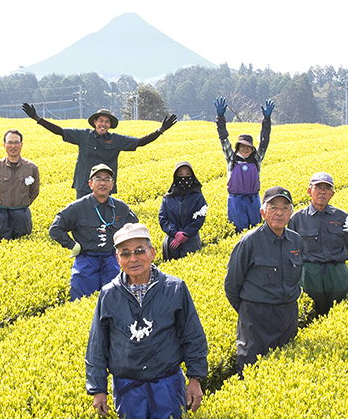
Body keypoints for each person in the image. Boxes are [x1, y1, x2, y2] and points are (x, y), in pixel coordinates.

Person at [86, 222, 208, 419]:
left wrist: (195, 378)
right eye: (126, 253)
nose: (133, 258)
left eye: (139, 251)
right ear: (118, 258)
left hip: (168, 384)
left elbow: (193, 336)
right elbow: (97, 345)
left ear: (152, 253)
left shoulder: (175, 288)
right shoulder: (109, 295)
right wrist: (98, 389)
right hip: (128, 390)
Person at [224, 186, 303, 375]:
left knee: (285, 370)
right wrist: (247, 312)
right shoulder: (249, 242)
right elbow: (232, 285)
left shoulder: (296, 241)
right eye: (273, 207)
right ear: (263, 212)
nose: (279, 213)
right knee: (251, 369)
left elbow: (298, 279)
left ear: (291, 213)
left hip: (288, 315)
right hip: (256, 318)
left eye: (285, 208)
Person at [22, 103, 177, 198]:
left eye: (106, 121)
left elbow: (141, 142)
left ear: (110, 124)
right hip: (84, 186)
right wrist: (37, 118)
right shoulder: (83, 135)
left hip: (104, 186)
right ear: (95, 122)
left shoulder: (116, 140)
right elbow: (60, 131)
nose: (103, 124)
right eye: (101, 121)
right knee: (81, 219)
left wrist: (161, 130)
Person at [49, 164, 138, 300]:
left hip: (111, 261)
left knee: (114, 301)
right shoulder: (77, 207)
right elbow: (55, 229)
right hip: (86, 262)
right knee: (82, 302)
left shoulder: (120, 207)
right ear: (90, 184)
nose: (102, 183)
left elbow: (134, 228)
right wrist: (72, 245)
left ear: (112, 184)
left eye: (107, 179)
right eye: (98, 179)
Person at [289, 172, 348, 315]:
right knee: (312, 313)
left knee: (342, 312)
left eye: (327, 188)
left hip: (337, 272)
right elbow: (291, 248)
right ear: (309, 191)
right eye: (318, 187)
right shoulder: (297, 219)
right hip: (310, 274)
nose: (322, 192)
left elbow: (347, 242)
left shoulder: (342, 217)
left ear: (332, 194)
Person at [214, 96, 275, 233]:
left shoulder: (256, 159)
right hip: (236, 200)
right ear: (238, 147)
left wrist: (266, 120)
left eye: (248, 147)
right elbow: (223, 139)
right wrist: (220, 117)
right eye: (242, 146)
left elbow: (264, 142)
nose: (245, 149)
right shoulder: (232, 158)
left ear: (252, 148)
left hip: (253, 199)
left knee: (255, 230)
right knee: (239, 231)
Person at [0, 129, 40, 243]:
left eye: (16, 142)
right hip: (1, 214)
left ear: (21, 145)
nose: (13, 146)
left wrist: (25, 202)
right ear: (4, 145)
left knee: (23, 245)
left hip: (22, 214)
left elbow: (35, 191)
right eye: (10, 142)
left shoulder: (31, 168)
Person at [159, 161, 208, 261]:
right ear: (175, 177)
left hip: (191, 241)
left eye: (187, 174)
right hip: (172, 241)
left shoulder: (198, 197)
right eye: (180, 174)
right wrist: (175, 233)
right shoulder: (168, 197)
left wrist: (185, 233)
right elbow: (163, 218)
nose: (184, 177)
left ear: (192, 176)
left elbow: (199, 219)